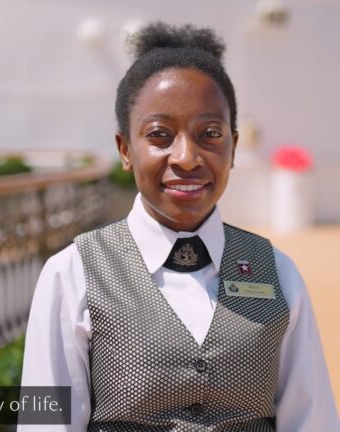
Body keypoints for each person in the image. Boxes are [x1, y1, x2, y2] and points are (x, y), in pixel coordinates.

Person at [19, 22, 339, 431]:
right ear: (125, 149)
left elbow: (312, 421)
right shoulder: (73, 273)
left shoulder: (278, 272)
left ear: (233, 148)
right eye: (160, 135)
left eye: (209, 134)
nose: (187, 157)